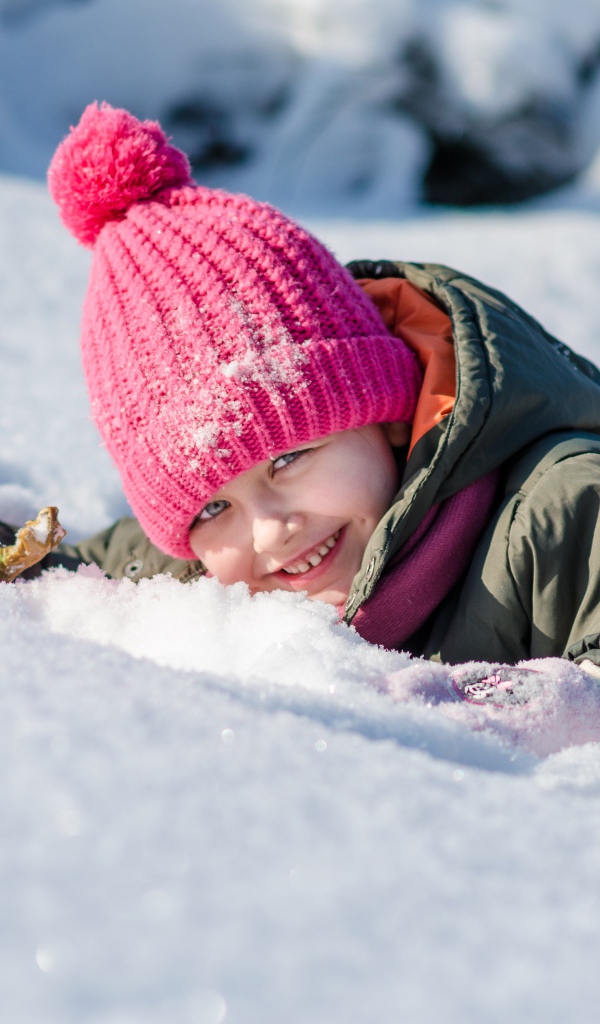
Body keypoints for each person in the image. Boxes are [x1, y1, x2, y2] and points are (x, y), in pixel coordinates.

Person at [8, 100, 600, 670]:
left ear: (390, 414)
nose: (268, 529)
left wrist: (478, 712)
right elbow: (58, 569)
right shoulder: (207, 570)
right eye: (214, 505)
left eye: (289, 457)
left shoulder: (564, 514)